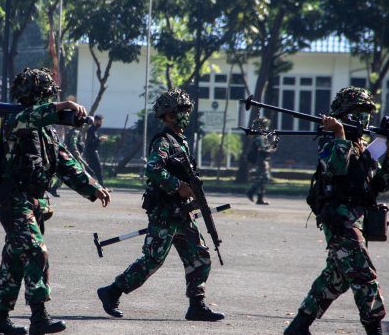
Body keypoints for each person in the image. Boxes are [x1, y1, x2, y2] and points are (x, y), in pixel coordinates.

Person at [0, 67, 111, 335]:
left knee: (15, 259)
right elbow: (31, 116)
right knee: (35, 251)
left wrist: (93, 187)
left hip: (36, 203)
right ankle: (39, 316)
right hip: (14, 201)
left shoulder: (47, 133)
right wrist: (61, 106)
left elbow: (65, 163)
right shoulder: (14, 120)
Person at [283, 86, 389, 335]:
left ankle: (299, 326)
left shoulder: (363, 146)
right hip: (339, 219)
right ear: (344, 115)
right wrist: (339, 135)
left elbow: (377, 185)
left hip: (356, 218)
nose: (364, 120)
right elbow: (336, 167)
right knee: (363, 273)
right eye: (358, 113)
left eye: (367, 114)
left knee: (336, 277)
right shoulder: (329, 141)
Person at [97, 89, 224, 322]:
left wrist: (190, 196)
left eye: (187, 110)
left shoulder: (181, 141)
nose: (185, 115)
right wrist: (178, 186)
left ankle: (196, 305)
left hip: (182, 212)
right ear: (166, 116)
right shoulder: (163, 141)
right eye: (180, 111)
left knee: (201, 256)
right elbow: (153, 169)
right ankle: (111, 292)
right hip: (165, 211)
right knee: (152, 259)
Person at [246, 116, 277, 205]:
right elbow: (261, 149)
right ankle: (251, 192)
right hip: (261, 161)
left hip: (263, 160)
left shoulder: (262, 137)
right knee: (263, 178)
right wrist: (270, 150)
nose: (267, 128)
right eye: (265, 126)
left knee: (264, 179)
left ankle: (260, 198)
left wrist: (270, 147)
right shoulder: (258, 137)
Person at [84, 114, 107, 185]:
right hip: (91, 152)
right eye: (101, 121)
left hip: (92, 151)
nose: (101, 123)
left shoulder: (95, 129)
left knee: (92, 170)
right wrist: (99, 139)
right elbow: (90, 142)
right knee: (97, 169)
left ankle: (95, 186)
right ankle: (101, 186)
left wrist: (99, 139)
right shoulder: (91, 130)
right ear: (97, 121)